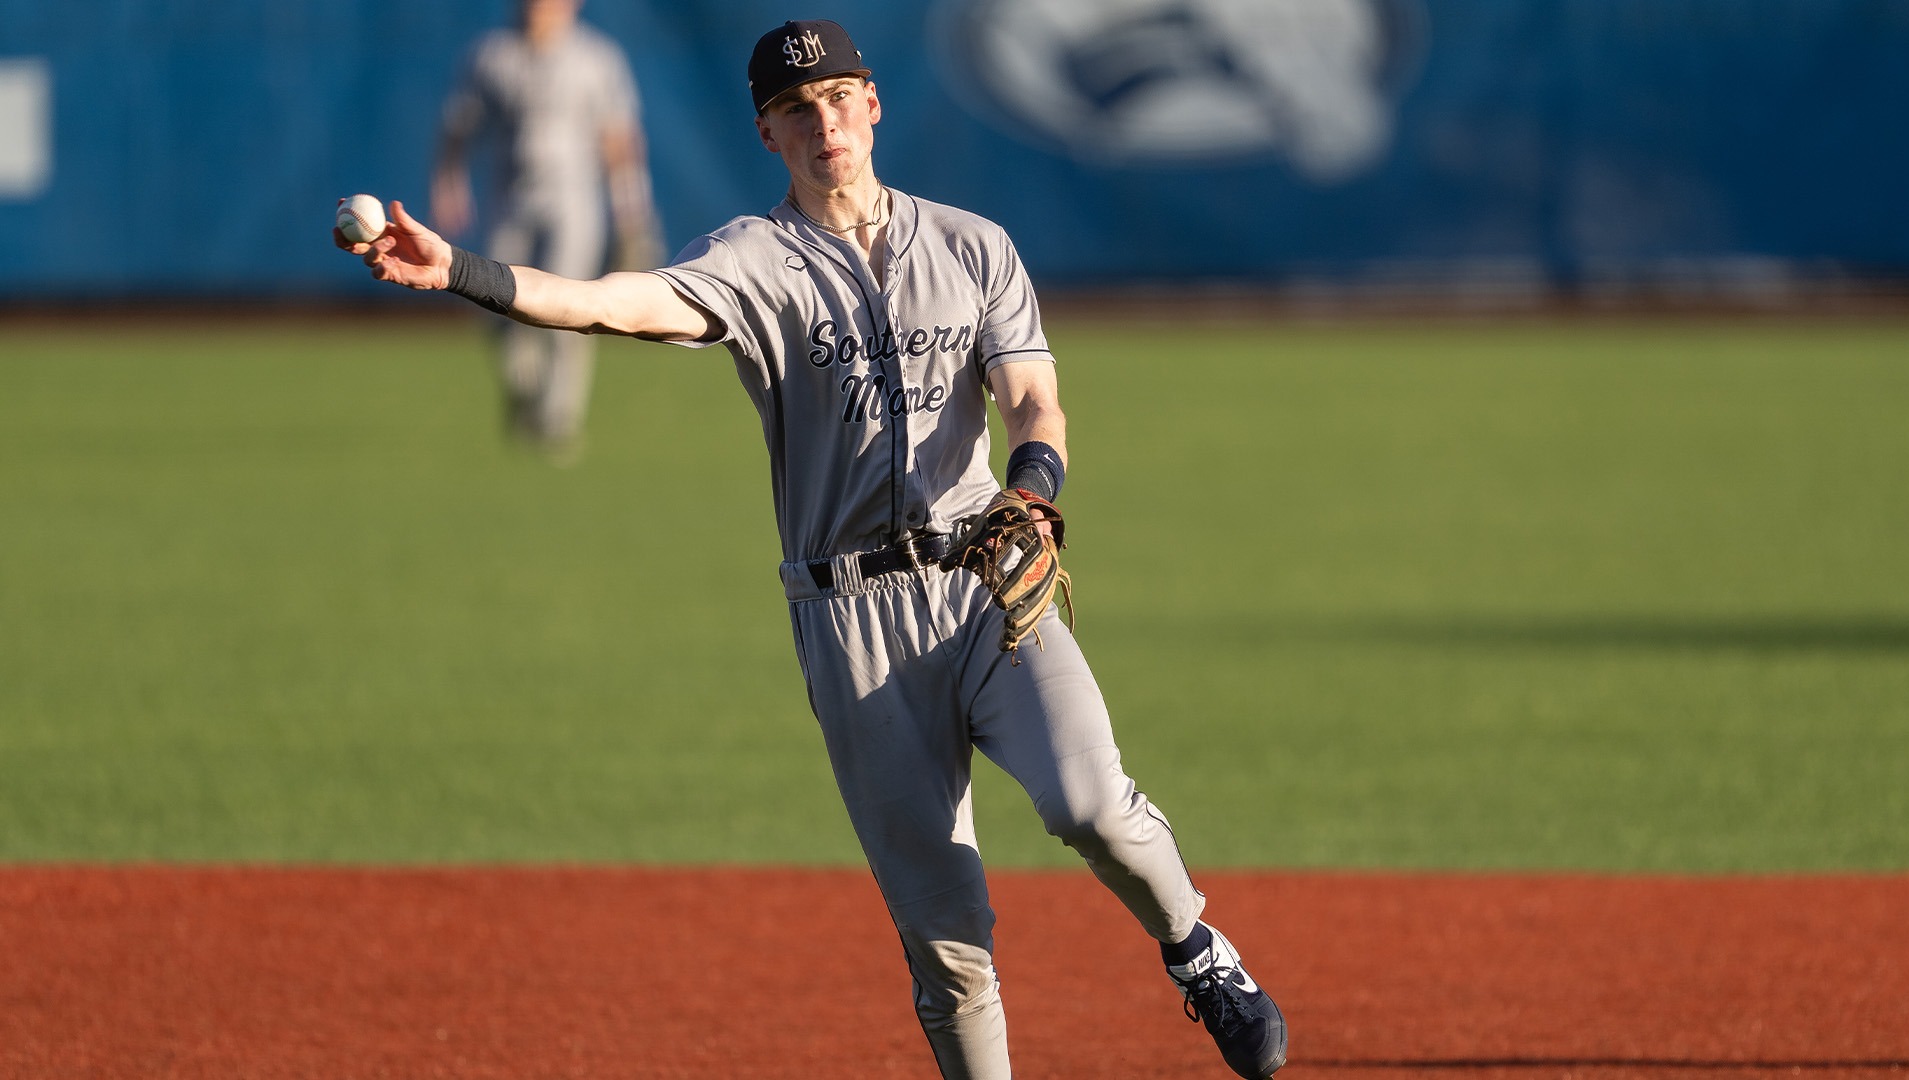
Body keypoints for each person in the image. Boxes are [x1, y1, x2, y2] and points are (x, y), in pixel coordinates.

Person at [338, 19, 1287, 1079]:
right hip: (852, 626)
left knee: (1089, 803)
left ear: (873, 105)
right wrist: (464, 269)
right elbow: (615, 304)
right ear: (768, 132)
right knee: (947, 939)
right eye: (798, 108)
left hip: (986, 580)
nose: (823, 120)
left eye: (839, 97)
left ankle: (1197, 949)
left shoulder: (974, 246)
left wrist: (1034, 494)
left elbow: (1032, 398)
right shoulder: (753, 263)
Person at [431, 0, 661, 459]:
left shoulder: (597, 57)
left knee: (569, 310)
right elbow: (459, 126)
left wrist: (632, 210)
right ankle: (524, 387)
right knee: (494, 302)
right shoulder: (491, 54)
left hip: (574, 201)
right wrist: (448, 182)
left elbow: (619, 140)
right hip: (510, 198)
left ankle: (556, 421)